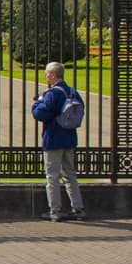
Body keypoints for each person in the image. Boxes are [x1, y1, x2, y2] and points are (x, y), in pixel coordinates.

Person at [31, 60, 85, 221]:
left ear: (53, 75)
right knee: (70, 174)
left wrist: (39, 101)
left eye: (47, 72)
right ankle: (78, 208)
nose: (46, 75)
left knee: (52, 176)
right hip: (69, 138)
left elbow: (40, 113)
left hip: (54, 138)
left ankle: (55, 210)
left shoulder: (53, 93)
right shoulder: (72, 92)